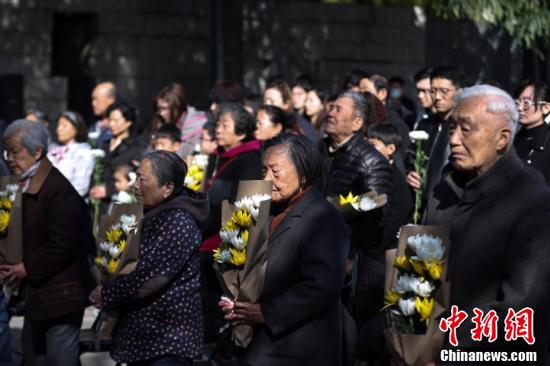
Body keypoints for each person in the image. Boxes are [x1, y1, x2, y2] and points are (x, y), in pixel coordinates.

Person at [423, 85, 550, 361]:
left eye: (466, 129)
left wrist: (444, 345)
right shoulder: (442, 191)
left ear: (502, 138)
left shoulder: (532, 200)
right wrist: (407, 331)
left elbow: (523, 309)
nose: (454, 140)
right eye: (452, 129)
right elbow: (418, 271)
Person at [219, 134, 349, 366]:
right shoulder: (266, 209)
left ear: (302, 173)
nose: (267, 179)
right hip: (259, 343)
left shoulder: (323, 217)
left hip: (298, 347)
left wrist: (266, 312)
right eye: (263, 172)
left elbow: (323, 286)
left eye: (275, 172)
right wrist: (235, 300)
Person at [90, 150, 208, 366]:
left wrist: (107, 294)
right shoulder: (150, 213)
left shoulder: (178, 222)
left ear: (167, 188)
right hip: (143, 340)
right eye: (135, 178)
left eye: (142, 180)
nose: (135, 185)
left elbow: (150, 276)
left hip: (167, 342)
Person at [0, 119, 95, 366]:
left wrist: (27, 267)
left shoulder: (56, 189)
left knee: (58, 358)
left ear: (37, 152)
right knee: (33, 354)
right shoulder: (25, 184)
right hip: (40, 293)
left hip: (62, 295)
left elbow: (64, 242)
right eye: (6, 151)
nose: (9, 158)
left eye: (14, 151)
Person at [319, 91, 392, 342]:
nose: (331, 112)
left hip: (353, 262)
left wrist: (335, 208)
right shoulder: (321, 150)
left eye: (339, 109)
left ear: (358, 122)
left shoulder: (372, 161)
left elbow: (376, 205)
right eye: (331, 106)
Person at [406, 65, 464, 203]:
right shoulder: (425, 125)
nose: (437, 97)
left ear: (459, 92)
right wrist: (409, 174)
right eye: (433, 91)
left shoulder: (463, 128)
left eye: (444, 91)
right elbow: (409, 158)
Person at [89, 100, 145, 208]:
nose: (111, 124)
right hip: (97, 203)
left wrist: (108, 190)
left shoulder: (135, 148)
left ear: (128, 122)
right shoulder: (103, 144)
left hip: (120, 203)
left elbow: (132, 178)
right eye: (110, 120)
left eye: (116, 120)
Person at [47, 111, 94, 197]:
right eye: (58, 125)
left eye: (64, 126)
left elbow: (80, 186)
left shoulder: (82, 152)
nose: (59, 129)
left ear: (76, 128)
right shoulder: (52, 151)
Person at [153, 83, 207, 158]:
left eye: (165, 108)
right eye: (159, 108)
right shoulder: (161, 123)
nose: (161, 113)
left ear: (177, 107)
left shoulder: (197, 125)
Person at [512, 79, 550, 183]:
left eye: (526, 103)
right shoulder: (510, 143)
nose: (519, 108)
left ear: (545, 108)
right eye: (517, 102)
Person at [90, 81, 116, 147]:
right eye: (92, 99)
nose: (93, 103)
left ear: (111, 100)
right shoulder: (94, 127)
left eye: (96, 99)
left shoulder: (121, 127)